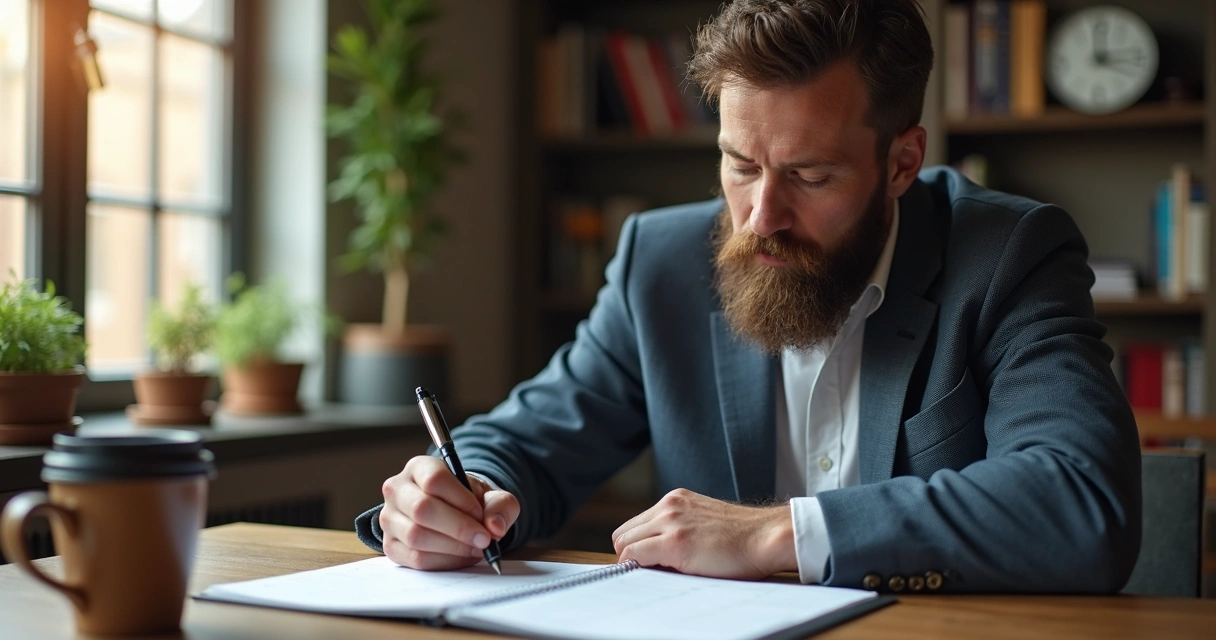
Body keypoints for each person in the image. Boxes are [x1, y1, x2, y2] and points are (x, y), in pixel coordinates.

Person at [356, 0, 1140, 593]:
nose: (761, 217)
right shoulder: (659, 261)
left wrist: (780, 535)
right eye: (740, 164)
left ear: (902, 163)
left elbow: (1080, 501)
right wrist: (457, 493)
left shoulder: (1007, 254)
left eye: (809, 175)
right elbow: (533, 441)